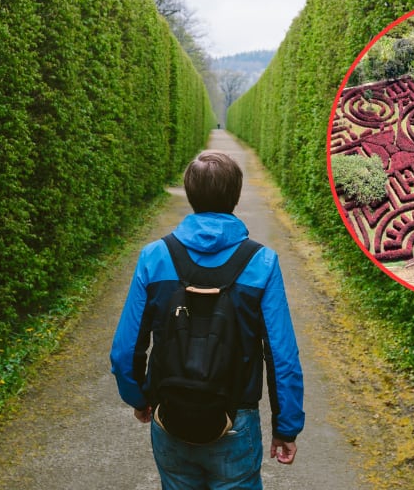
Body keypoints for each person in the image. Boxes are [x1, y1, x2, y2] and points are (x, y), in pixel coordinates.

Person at [110, 150, 305, 489]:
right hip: (235, 418)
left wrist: (139, 398)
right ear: (236, 194)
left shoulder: (154, 256)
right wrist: (286, 427)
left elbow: (124, 350)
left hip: (170, 414)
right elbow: (281, 354)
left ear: (190, 193)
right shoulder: (262, 262)